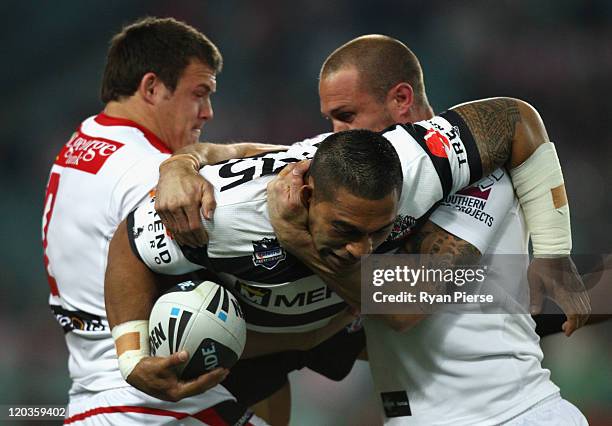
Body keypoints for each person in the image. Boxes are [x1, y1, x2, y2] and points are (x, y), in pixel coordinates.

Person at [106, 91, 573, 425]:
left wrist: (555, 255)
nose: (362, 249)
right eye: (347, 230)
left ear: (400, 107)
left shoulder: (424, 166)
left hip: (505, 406)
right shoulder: (222, 215)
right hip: (260, 336)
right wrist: (129, 359)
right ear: (306, 191)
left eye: (379, 232)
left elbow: (515, 118)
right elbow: (127, 246)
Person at [42, 16, 284, 425]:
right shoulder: (150, 178)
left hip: (93, 398)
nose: (208, 112)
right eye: (199, 93)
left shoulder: (85, 142)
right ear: (152, 87)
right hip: (159, 403)